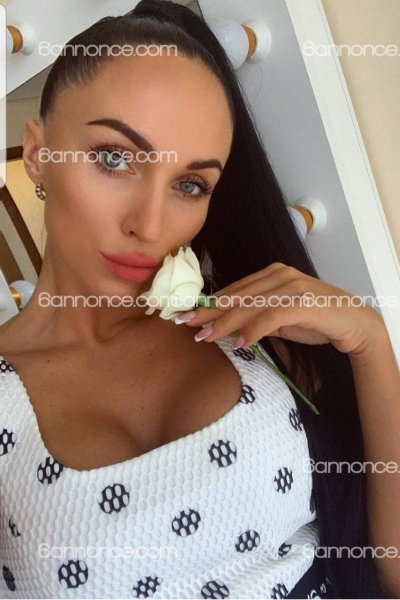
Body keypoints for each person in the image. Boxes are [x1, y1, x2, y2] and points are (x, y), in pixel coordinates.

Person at [0, 1, 398, 597]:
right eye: (114, 158)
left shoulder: (251, 332)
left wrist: (369, 341)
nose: (149, 224)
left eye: (190, 185)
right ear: (37, 154)